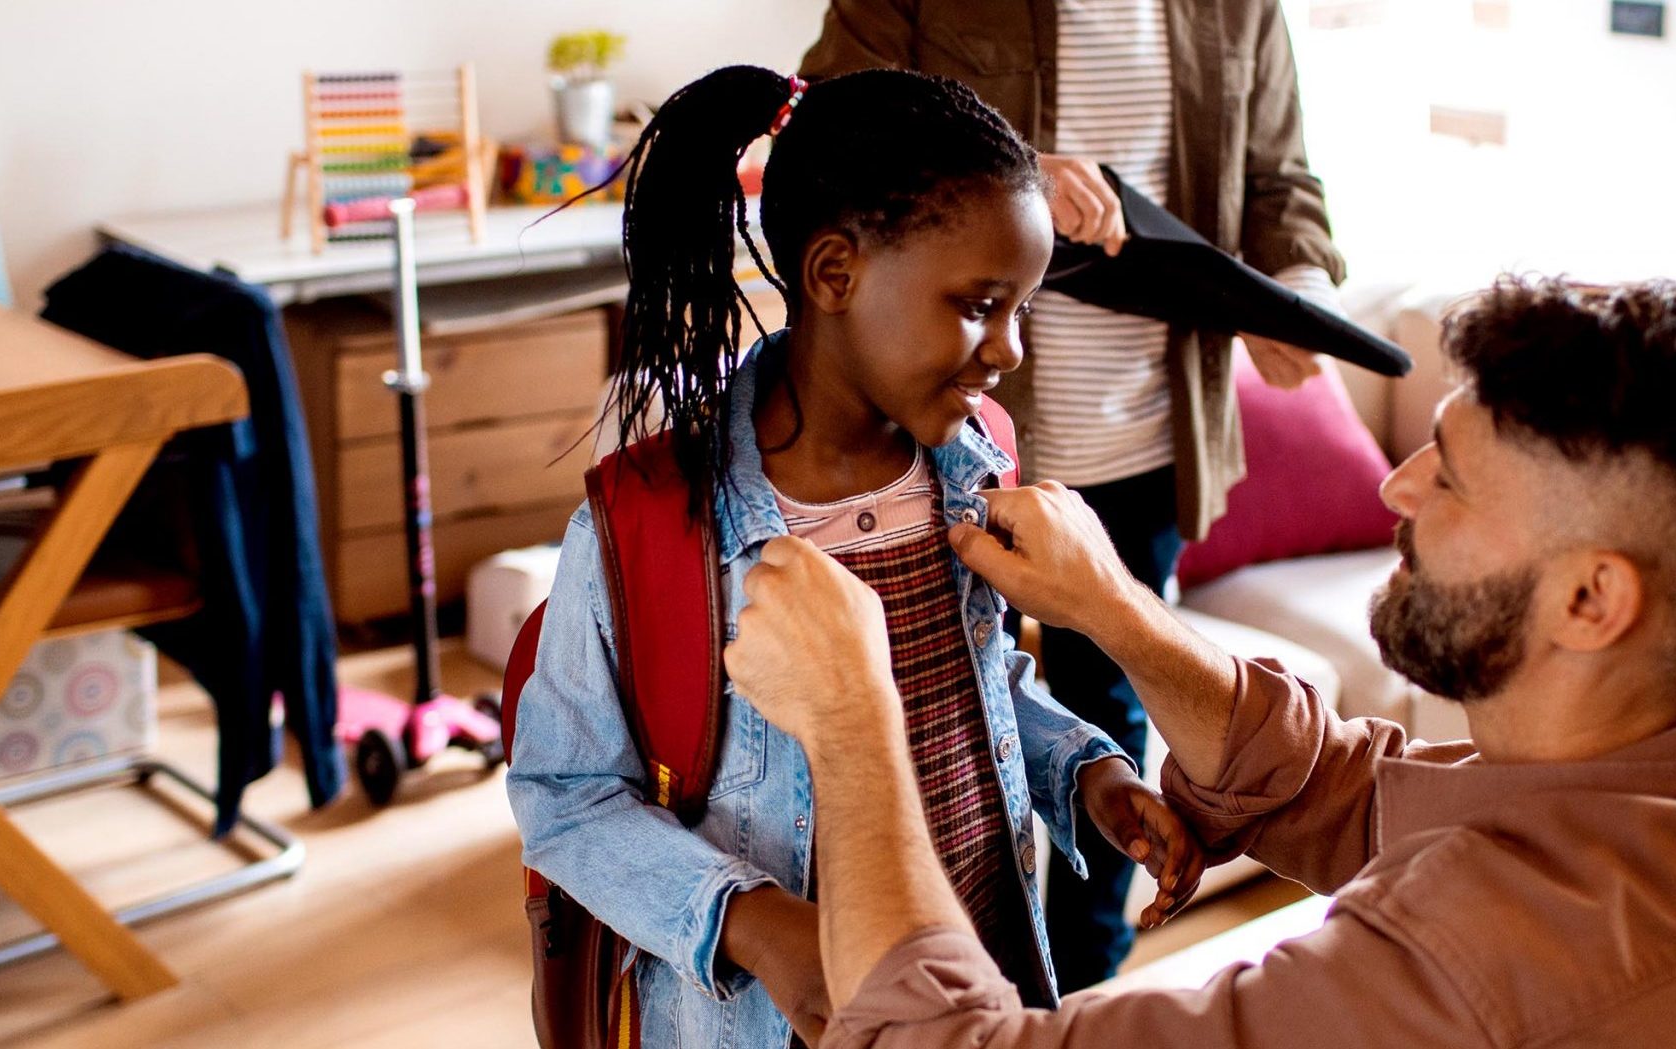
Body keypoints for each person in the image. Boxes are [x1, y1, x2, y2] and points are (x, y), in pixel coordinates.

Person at [724, 276, 1676, 1047]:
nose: (1393, 485)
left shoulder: (1468, 973)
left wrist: (851, 719)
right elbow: (1353, 791)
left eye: (1446, 478)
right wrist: (1116, 612)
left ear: (1590, 598)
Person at [505, 65, 1207, 1048]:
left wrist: (1085, 774)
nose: (1006, 348)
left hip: (978, 971)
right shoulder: (651, 522)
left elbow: (976, 681)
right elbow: (565, 798)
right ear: (834, 274)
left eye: (1022, 310)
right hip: (778, 1016)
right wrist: (751, 921)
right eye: (977, 304)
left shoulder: (971, 463)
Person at [799, 0, 1347, 990]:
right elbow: (826, 125)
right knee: (916, 705)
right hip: (947, 430)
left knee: (1112, 735)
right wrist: (1007, 173)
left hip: (1149, 444)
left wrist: (1295, 283)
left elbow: (1279, 180)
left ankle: (1073, 998)